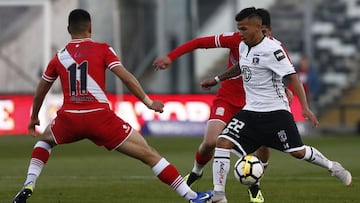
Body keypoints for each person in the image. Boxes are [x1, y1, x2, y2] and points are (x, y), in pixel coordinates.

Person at [12, 9, 212, 203]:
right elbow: (126, 77)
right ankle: (192, 197)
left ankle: (29, 183)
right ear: (90, 27)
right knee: (149, 154)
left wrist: (34, 117)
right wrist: (148, 102)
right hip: (100, 118)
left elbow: (41, 88)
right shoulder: (103, 49)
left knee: (44, 142)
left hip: (70, 118)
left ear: (68, 30)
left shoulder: (59, 57)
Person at [200, 7, 352, 202]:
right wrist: (217, 78)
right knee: (222, 142)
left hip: (276, 113)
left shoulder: (273, 50)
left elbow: (294, 78)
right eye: (239, 29)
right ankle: (219, 195)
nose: (240, 33)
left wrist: (305, 108)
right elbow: (242, 65)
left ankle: (333, 166)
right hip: (250, 111)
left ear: (258, 27)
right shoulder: (243, 45)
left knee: (298, 152)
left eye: (244, 29)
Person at [153, 7, 292, 203]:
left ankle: (255, 186)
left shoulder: (274, 48)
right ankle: (196, 172)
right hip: (227, 99)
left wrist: (287, 89)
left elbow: (285, 73)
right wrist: (170, 57)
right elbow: (199, 42)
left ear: (266, 29)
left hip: (255, 104)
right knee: (210, 142)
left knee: (263, 146)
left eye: (266, 32)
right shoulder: (236, 39)